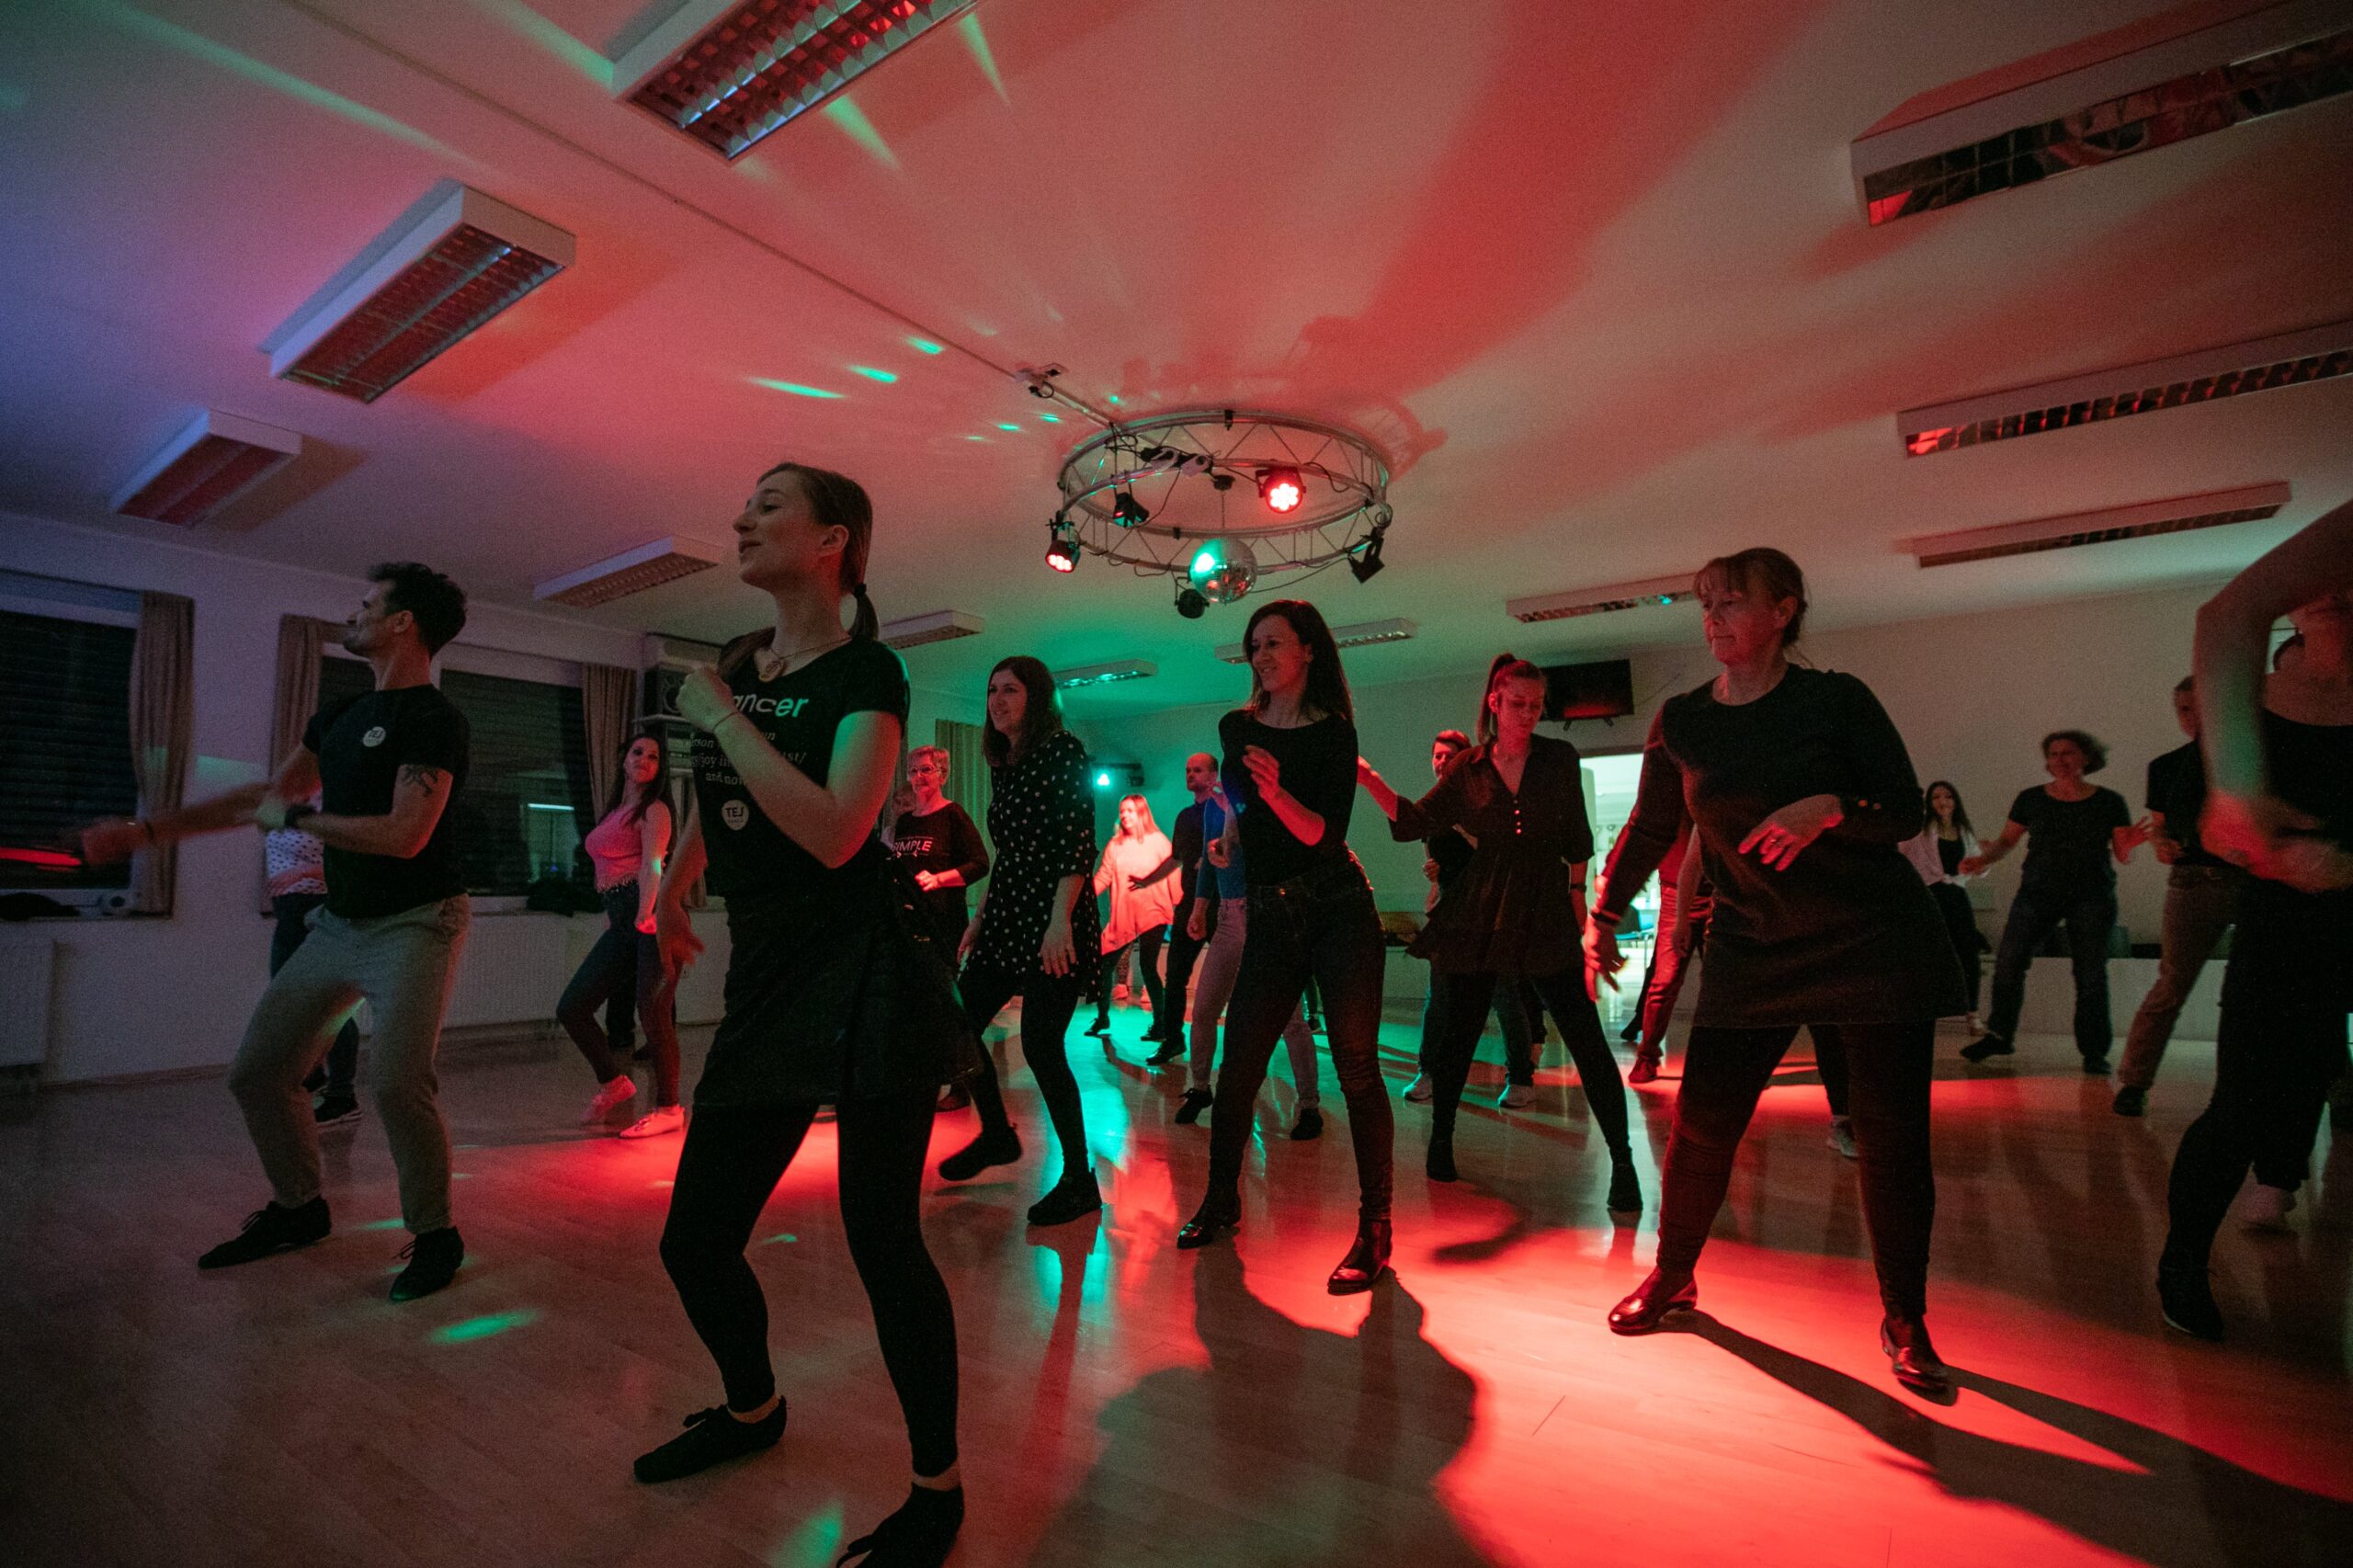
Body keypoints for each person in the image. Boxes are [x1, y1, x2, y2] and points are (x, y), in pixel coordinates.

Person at [632, 461, 974, 1566]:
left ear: (833, 541)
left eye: (769, 504)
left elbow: (836, 830)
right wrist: (674, 886)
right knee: (695, 1239)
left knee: (882, 1239)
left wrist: (722, 715)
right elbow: (720, 796)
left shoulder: (868, 669)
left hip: (868, 966)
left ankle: (937, 1491)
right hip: (769, 975)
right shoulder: (741, 665)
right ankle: (752, 1406)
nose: (741, 516)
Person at [1585, 548, 1965, 1395]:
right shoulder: (1684, 719)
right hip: (1754, 943)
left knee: (1891, 1139)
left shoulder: (1836, 699)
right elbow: (1651, 828)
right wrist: (1603, 915)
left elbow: (1902, 809)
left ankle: (1906, 1318)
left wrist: (1830, 807)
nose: (1713, 618)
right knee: (1703, 1124)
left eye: (1731, 602)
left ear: (1784, 610)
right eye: (1705, 604)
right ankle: (1673, 1275)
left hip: (1870, 939)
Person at [84, 563, 475, 1301]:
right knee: (260, 1073)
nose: (355, 614)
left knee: (398, 1083)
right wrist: (145, 833)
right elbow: (262, 799)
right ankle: (299, 1209)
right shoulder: (338, 717)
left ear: (403, 623)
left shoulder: (435, 719)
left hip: (419, 924)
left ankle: (436, 1235)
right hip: (339, 924)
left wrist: (299, 820)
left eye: (368, 604)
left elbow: (406, 834)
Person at [2158, 496, 2353, 1341]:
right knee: (2240, 1104)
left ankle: (2282, 1179)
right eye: (2315, 586)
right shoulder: (2252, 699)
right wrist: (2264, 847)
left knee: (2310, 1078)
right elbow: (2203, 821)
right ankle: (2182, 1263)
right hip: (2286, 930)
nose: (2332, 593)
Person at [1175, 600, 1395, 1296]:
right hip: (1270, 912)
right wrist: (1231, 839)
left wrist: (1272, 791)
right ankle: (1221, 1200)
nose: (1262, 656)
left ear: (1308, 652)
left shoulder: (1335, 733)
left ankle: (1376, 1228)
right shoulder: (1236, 727)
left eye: (1274, 643)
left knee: (1357, 1070)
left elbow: (1321, 837)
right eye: (1254, 646)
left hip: (1338, 908)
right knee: (1239, 1065)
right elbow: (1245, 812)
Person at [1359, 655, 1635, 1206]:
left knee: (1584, 1036)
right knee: (1460, 1030)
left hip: (1543, 905)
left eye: (1536, 705)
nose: (1528, 714)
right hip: (1481, 907)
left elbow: (1577, 839)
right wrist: (1368, 779)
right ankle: (1441, 1140)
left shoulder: (1557, 758)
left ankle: (1623, 1162)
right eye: (1518, 704)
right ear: (1495, 703)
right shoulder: (1468, 767)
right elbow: (1413, 822)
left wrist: (1580, 900)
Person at [933, 656, 1105, 1228]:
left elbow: (1076, 844)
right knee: (956, 1024)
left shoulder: (1063, 752)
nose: (998, 700)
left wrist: (1060, 922)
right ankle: (997, 1134)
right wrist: (980, 917)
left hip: (1055, 916)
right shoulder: (1005, 762)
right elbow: (1009, 855)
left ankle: (1080, 1181)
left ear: (1037, 698)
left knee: (1042, 1046)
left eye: (1010, 689)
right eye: (991, 690)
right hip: (1007, 915)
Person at [1961, 733, 2150, 1071]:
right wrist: (1982, 859)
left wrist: (2130, 845)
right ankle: (1999, 1036)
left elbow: (2123, 855)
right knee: (2009, 963)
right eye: (2053, 754)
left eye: (2068, 753)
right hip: (2037, 893)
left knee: (2090, 973)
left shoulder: (2109, 801)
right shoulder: (2031, 799)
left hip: (2092, 897)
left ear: (2086, 758)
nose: (2060, 760)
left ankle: (2094, 1053)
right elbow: (2006, 841)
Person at [2110, 681, 2240, 1118]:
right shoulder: (2167, 767)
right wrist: (2161, 844)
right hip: (2194, 880)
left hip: (2254, 880)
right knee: (2171, 985)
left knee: (2269, 985)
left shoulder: (2250, 759)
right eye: (2183, 709)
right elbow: (2162, 825)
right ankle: (2133, 1082)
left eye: (2198, 707)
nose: (2191, 717)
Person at [1173, 773, 1323, 1138]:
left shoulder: (1263, 800)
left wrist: (1233, 840)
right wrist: (1198, 908)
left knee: (1290, 1020)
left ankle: (1309, 1105)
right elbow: (1209, 860)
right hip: (1229, 916)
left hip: (1265, 913)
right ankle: (1200, 1087)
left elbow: (1281, 856)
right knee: (1204, 1010)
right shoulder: (1214, 806)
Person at [558, 730, 684, 1139]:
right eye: (637, 752)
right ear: (624, 759)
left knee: (653, 1013)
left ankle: (669, 1108)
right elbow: (609, 868)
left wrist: (645, 913)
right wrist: (618, 918)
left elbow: (652, 864)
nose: (644, 760)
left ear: (660, 769)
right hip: (624, 917)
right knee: (573, 1007)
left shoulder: (655, 810)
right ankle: (613, 1083)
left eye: (654, 757)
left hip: (650, 916)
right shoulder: (615, 811)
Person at [890, 744, 989, 1111]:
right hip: (907, 925)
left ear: (942, 775)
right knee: (911, 1007)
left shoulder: (953, 816)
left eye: (926, 770)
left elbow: (980, 864)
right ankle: (917, 1084)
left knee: (944, 1008)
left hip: (942, 925)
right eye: (913, 771)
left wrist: (939, 879)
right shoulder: (905, 823)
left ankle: (961, 1086)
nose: (918, 777)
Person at [265, 794, 364, 1130]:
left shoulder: (333, 801)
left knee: (332, 1006)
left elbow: (351, 866)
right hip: (289, 914)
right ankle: (312, 1073)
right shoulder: (284, 800)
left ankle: (342, 1096)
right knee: (288, 999)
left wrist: (301, 873)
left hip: (319, 910)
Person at [1127, 754, 1218, 1062]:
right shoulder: (1185, 817)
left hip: (1219, 906)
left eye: (1198, 770)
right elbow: (1177, 858)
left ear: (1213, 776)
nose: (1190, 774)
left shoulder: (1224, 813)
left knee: (1234, 974)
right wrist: (1147, 880)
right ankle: (1173, 1039)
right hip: (1188, 904)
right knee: (1175, 975)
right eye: (1188, 770)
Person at [1087, 794, 1178, 1040]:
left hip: (1152, 914)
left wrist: (1182, 907)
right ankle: (1103, 1017)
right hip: (1124, 916)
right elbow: (1104, 876)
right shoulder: (1116, 845)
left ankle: (1160, 1024)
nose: (1125, 815)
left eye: (1130, 810)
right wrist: (1082, 896)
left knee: (1148, 966)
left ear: (1141, 813)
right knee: (1105, 964)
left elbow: (1173, 872)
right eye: (1122, 811)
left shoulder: (1158, 842)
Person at [1899, 780, 1984, 1035]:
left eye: (1947, 796)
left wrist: (1984, 860)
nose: (1942, 802)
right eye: (1936, 797)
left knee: (1968, 954)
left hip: (1957, 896)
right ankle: (1925, 1013)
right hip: (1931, 896)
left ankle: (1972, 1013)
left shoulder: (1963, 831)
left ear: (1955, 801)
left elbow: (1978, 866)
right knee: (1930, 954)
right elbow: (1903, 855)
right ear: (1930, 803)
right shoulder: (1921, 832)